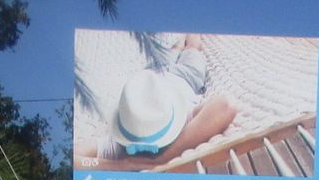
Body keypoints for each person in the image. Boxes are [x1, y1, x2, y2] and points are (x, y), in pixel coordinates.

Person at [81, 34, 236, 170]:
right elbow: (225, 105)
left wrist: (161, 158)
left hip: (150, 76)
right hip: (185, 76)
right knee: (192, 47)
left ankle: (184, 34)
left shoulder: (118, 146)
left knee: (179, 47)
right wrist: (123, 165)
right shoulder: (123, 142)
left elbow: (72, 158)